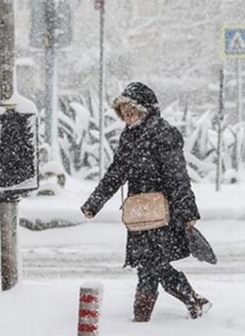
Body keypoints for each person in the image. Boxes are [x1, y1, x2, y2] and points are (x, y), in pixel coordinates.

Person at [80, 82, 211, 322]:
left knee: (151, 265)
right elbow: (116, 173)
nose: (127, 117)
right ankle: (191, 301)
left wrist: (188, 211)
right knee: (151, 264)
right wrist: (93, 203)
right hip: (140, 212)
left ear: (146, 110)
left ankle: (142, 320)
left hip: (163, 211)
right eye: (124, 113)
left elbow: (178, 176)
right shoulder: (129, 137)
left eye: (132, 112)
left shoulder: (163, 134)